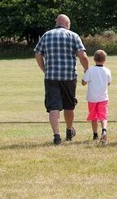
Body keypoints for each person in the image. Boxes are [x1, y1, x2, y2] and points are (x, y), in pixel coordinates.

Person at [34, 14, 89, 145]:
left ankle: (56, 136)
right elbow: (82, 55)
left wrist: (45, 69)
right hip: (69, 77)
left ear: (56, 23)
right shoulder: (73, 36)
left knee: (53, 106)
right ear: (67, 23)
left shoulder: (46, 35)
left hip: (51, 76)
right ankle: (69, 130)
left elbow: (37, 54)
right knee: (69, 106)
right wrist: (87, 70)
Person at [81, 49, 112, 144]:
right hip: (103, 97)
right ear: (104, 60)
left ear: (94, 59)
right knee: (103, 116)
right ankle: (104, 130)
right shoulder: (107, 70)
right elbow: (109, 83)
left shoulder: (90, 70)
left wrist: (85, 73)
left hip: (92, 98)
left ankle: (95, 134)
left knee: (94, 116)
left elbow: (83, 83)